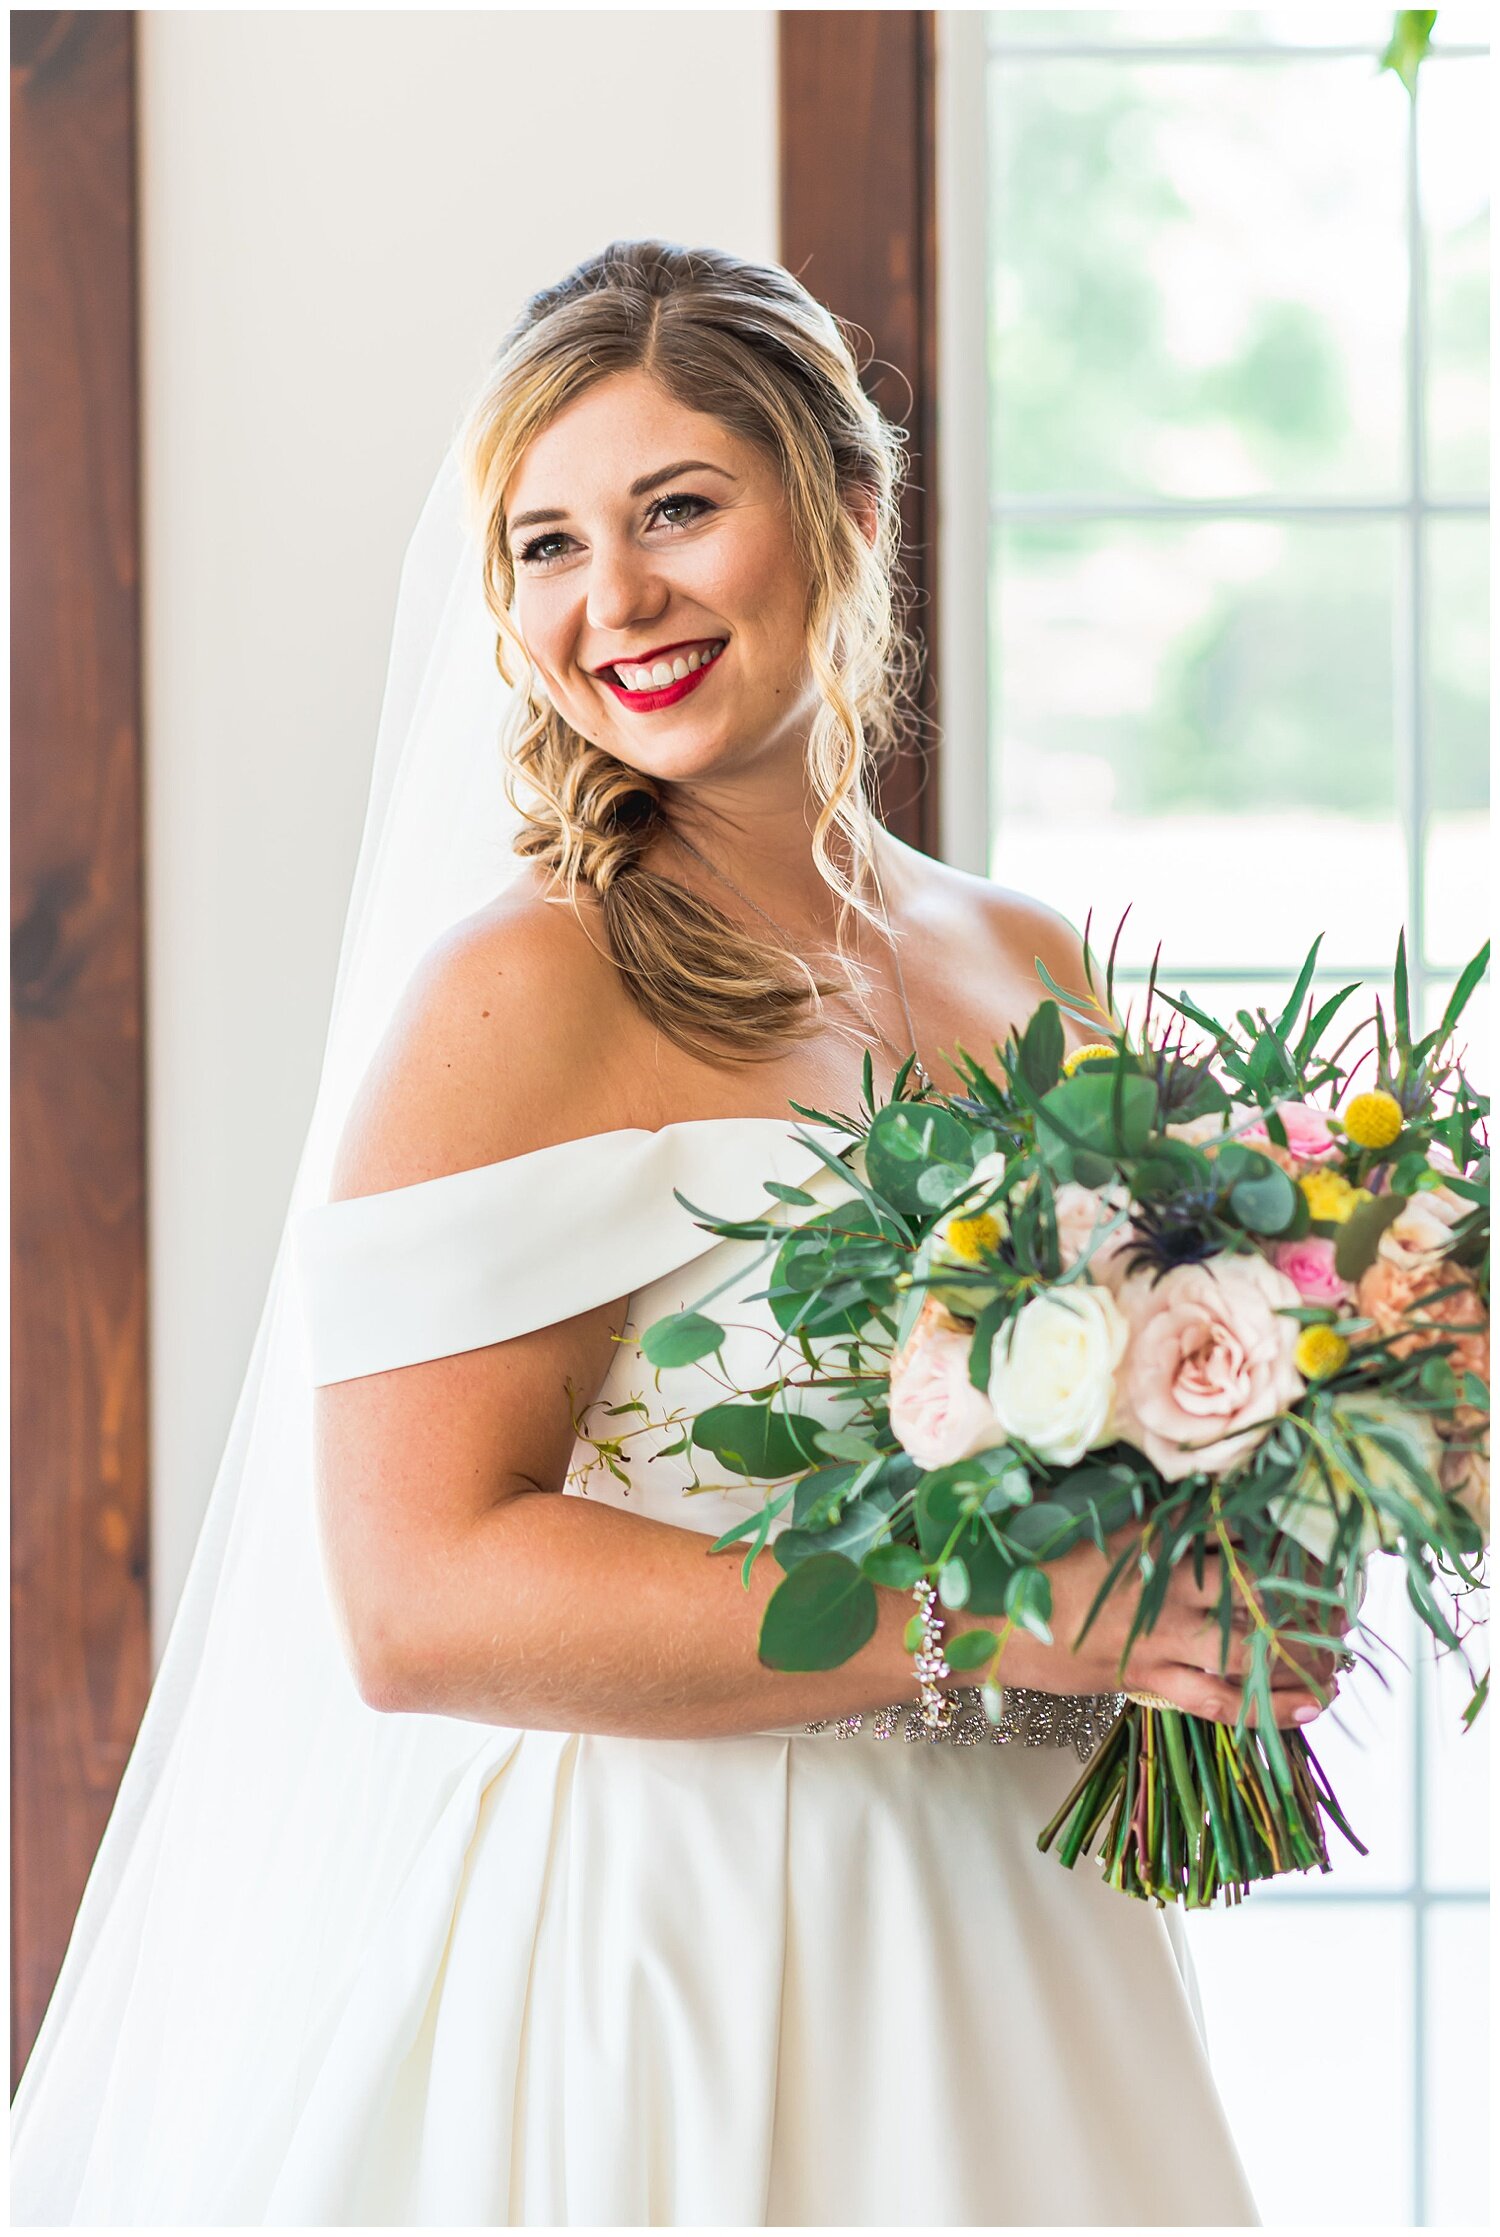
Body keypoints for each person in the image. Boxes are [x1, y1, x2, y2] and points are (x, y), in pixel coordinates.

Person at [12, 240, 1337, 2225]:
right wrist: (1001, 1633)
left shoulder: (1028, 958)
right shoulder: (523, 993)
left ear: (846, 510)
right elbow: (416, 1597)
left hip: (1021, 1926)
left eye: (676, 510)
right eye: (544, 544)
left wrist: (1231, 1575)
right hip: (689, 1942)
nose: (608, 598)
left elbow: (1153, 1435)